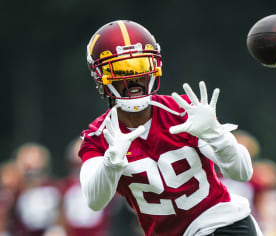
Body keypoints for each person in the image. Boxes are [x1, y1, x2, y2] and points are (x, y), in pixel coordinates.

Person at [79, 20, 262, 236]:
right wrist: (111, 162)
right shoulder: (99, 135)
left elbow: (241, 172)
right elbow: (94, 201)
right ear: (100, 76)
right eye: (121, 69)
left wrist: (216, 135)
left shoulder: (183, 110)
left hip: (223, 225)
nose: (134, 77)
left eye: (141, 66)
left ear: (154, 67)